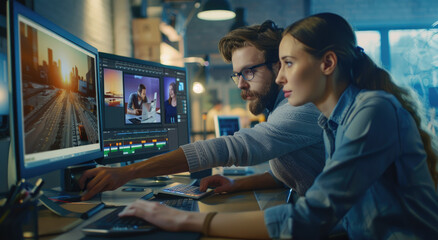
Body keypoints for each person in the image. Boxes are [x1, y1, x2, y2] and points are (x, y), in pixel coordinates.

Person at [117, 13, 438, 239]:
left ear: (327, 64)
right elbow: (324, 178)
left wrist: (183, 219)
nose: (283, 77)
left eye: (288, 64)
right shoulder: (332, 118)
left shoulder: (371, 112)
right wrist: (240, 185)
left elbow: (309, 218)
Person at [79, 20, 325, 200]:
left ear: (279, 66)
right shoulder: (281, 108)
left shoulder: (301, 108)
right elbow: (288, 176)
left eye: (249, 72)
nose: (240, 83)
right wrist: (235, 184)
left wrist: (129, 172)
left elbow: (233, 148)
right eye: (237, 75)